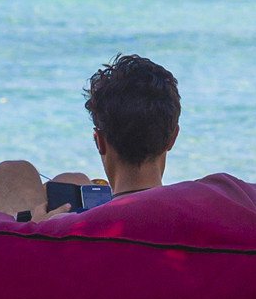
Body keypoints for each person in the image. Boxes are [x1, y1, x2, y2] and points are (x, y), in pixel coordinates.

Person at [75, 53, 180, 198]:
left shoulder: (71, 221)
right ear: (173, 137)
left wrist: (40, 221)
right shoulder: (212, 203)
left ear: (99, 141)